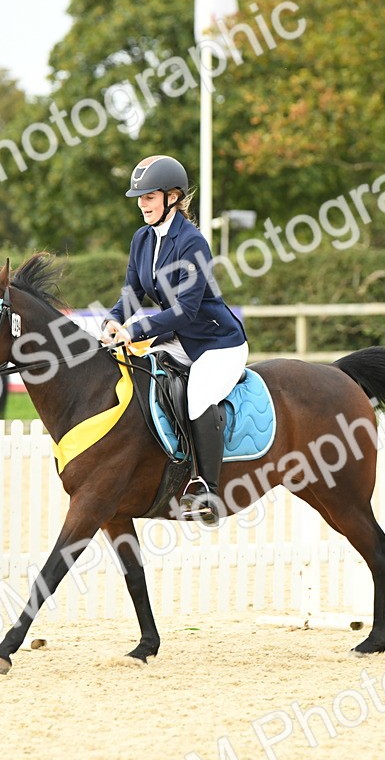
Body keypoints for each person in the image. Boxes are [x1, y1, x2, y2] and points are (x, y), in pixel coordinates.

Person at [101, 155, 249, 523]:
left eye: (148, 197)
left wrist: (134, 331)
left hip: (217, 344)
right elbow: (133, 293)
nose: (141, 204)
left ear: (172, 196)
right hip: (179, 339)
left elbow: (185, 309)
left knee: (198, 393)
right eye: (140, 197)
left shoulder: (193, 242)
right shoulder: (142, 239)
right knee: (142, 374)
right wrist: (113, 320)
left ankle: (209, 490)